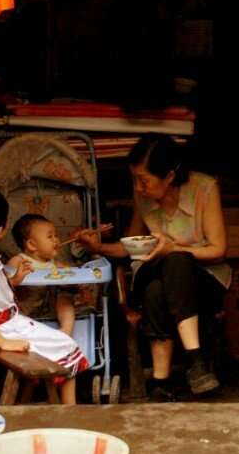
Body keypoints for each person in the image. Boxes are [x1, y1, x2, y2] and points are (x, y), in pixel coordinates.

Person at [78, 134, 228, 401]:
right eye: (135, 179)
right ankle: (197, 363)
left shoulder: (205, 189)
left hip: (203, 281)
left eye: (144, 180)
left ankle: (160, 382)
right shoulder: (143, 196)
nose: (138, 187)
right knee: (166, 269)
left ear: (169, 176)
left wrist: (175, 249)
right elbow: (131, 246)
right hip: (153, 271)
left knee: (166, 278)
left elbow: (218, 250)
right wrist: (97, 247)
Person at [0, 189, 88, 404]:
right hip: (1, 329)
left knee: (60, 345)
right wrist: (3, 342)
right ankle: (70, 410)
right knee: (67, 344)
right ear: (0, 230)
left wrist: (13, 282)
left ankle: (28, 404)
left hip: (8, 323)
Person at [8, 213, 76, 336]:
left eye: (56, 235)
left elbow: (72, 275)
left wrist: (71, 274)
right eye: (50, 236)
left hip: (51, 308)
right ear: (32, 244)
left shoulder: (54, 263)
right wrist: (15, 278)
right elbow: (4, 282)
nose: (56, 240)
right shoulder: (19, 261)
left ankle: (66, 331)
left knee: (65, 298)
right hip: (26, 308)